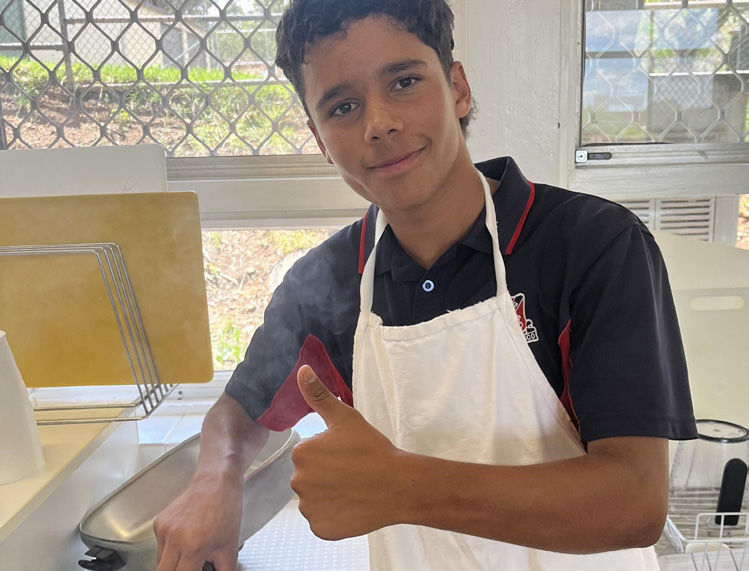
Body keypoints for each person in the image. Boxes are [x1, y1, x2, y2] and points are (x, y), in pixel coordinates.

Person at [153, 0, 697, 569]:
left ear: (457, 88)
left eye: (405, 82)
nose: (379, 123)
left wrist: (400, 488)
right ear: (319, 139)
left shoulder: (592, 246)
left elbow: (633, 502)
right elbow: (239, 411)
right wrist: (215, 479)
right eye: (342, 107)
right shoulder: (330, 281)